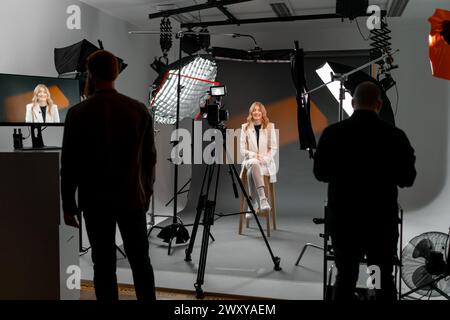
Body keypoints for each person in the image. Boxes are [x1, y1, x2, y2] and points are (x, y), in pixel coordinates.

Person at [61, 50, 157, 301]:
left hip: (95, 202)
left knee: (103, 266)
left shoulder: (77, 113)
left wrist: (68, 204)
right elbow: (149, 160)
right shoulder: (138, 110)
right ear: (116, 73)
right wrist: (145, 194)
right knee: (141, 263)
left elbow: (69, 163)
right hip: (132, 200)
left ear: (90, 74)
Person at [313, 81, 416, 300]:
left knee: (346, 276)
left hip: (344, 221)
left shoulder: (332, 133)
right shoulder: (395, 136)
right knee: (380, 278)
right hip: (380, 223)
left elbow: (320, 173)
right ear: (379, 104)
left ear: (352, 102)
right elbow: (408, 179)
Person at [240, 101, 278, 219]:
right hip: (249, 161)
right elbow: (242, 150)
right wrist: (254, 155)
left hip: (265, 162)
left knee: (253, 168)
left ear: (262, 112)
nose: (257, 112)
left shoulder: (269, 126)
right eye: (254, 110)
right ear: (251, 112)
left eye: (259, 110)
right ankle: (262, 199)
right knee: (253, 163)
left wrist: (265, 158)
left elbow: (273, 147)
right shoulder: (245, 127)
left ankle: (252, 203)